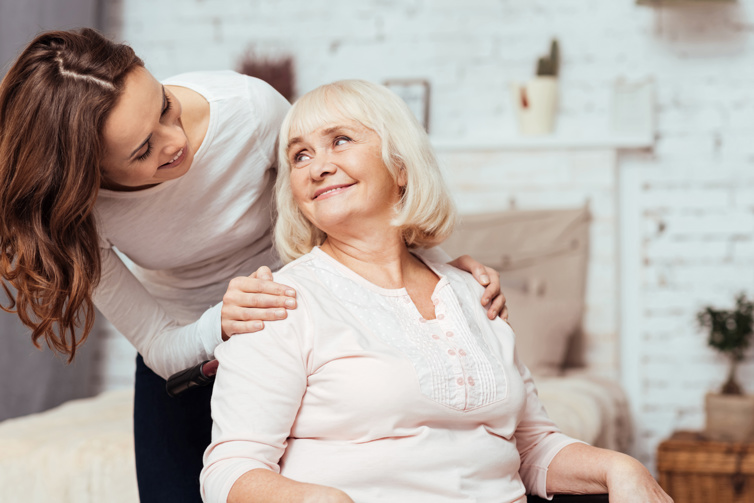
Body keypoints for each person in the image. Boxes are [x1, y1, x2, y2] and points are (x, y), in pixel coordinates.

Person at [0, 29, 507, 503]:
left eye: (165, 106)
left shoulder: (246, 109)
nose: (174, 140)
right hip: (186, 355)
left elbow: (339, 204)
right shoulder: (73, 215)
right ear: (87, 175)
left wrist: (438, 276)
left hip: (295, 334)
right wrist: (220, 321)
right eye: (143, 150)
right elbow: (158, 344)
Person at [200, 80, 673, 503]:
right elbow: (230, 470)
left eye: (340, 140)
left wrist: (620, 467)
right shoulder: (279, 301)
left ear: (400, 166)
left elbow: (531, 445)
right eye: (299, 155)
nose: (317, 167)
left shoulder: (473, 292)